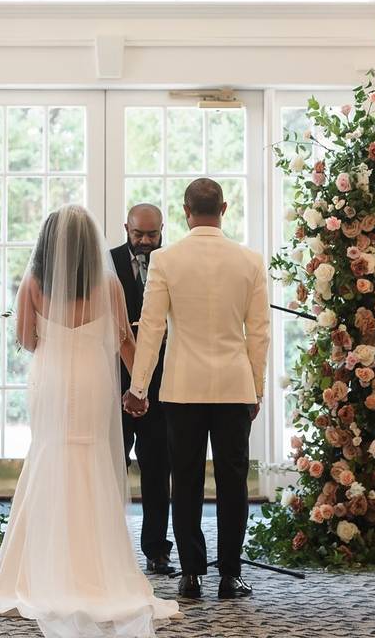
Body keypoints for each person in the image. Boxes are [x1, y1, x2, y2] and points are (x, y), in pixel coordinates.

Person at [0, 205, 180, 637]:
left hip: (53, 382)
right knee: (92, 459)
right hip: (96, 384)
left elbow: (26, 340)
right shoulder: (108, 286)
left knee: (49, 455)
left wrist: (60, 343)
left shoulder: (35, 283)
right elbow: (125, 344)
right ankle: (97, 563)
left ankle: (39, 564)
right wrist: (140, 391)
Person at [123, 178, 269, 600]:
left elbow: (150, 330)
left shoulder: (166, 260)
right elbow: (258, 333)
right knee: (233, 483)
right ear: (223, 208)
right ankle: (230, 575)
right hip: (233, 386)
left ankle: (190, 575)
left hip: (182, 387)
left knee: (183, 481)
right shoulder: (250, 261)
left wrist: (138, 387)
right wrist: (256, 387)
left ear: (185, 211)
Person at [109, 203, 174, 575]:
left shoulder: (174, 261)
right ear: (126, 228)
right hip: (115, 381)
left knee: (156, 469)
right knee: (111, 466)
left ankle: (156, 549)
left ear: (163, 229)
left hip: (163, 383)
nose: (146, 242)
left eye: (153, 234)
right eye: (139, 234)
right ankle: (110, 549)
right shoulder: (107, 263)